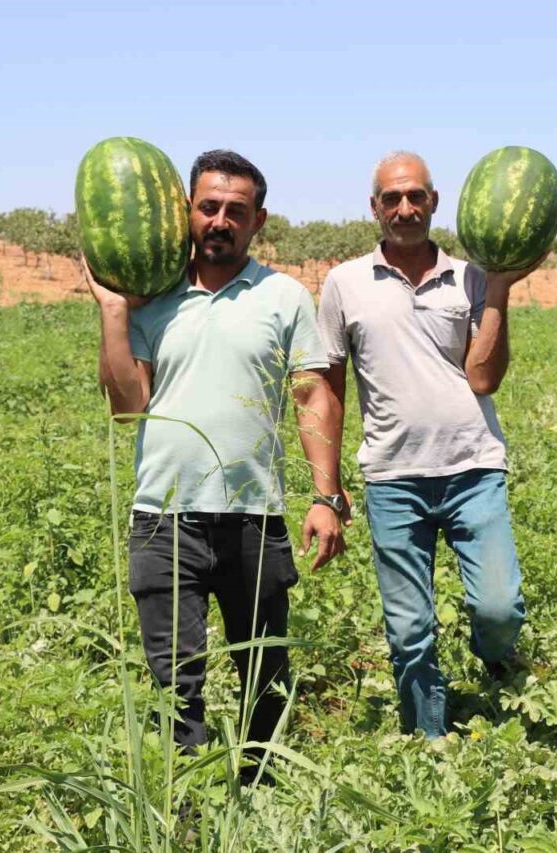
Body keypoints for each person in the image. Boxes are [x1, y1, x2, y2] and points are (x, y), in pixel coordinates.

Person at [84, 149, 348, 780]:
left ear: (259, 220)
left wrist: (326, 496)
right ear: (187, 212)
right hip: (163, 518)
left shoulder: (283, 296)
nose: (220, 221)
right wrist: (114, 311)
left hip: (253, 517)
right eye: (209, 207)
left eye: (236, 210)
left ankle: (261, 790)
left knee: (265, 672)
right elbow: (126, 407)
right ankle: (188, 802)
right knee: (175, 679)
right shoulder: (150, 301)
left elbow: (312, 396)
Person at [316, 151, 542, 737]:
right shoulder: (344, 283)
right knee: (409, 630)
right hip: (393, 479)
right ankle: (429, 740)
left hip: (473, 470)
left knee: (499, 608)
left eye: (416, 196)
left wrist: (499, 288)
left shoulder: (472, 277)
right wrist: (327, 487)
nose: (405, 208)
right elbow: (328, 389)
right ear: (374, 207)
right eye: (392, 198)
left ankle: (496, 664)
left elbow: (484, 378)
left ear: (434, 202)